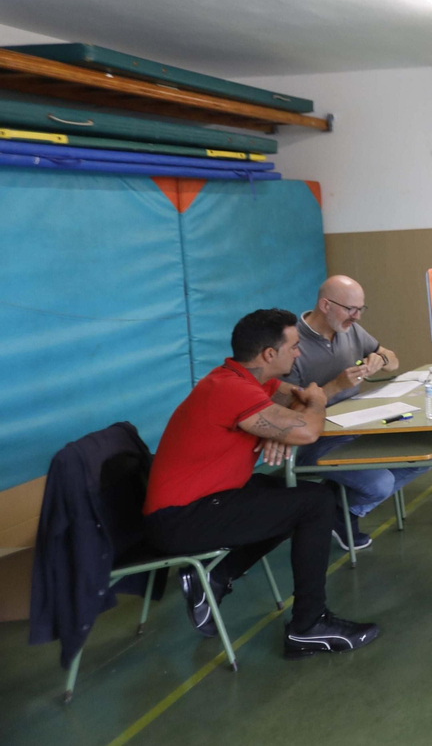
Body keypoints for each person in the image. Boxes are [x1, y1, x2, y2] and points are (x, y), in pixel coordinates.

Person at [143, 309, 379, 656]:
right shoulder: (230, 390)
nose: (298, 354)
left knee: (292, 496)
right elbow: (309, 427)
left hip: (207, 501)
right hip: (181, 518)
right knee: (314, 504)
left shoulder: (249, 382)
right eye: (294, 347)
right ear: (269, 354)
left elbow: (294, 402)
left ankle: (216, 575)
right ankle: (308, 626)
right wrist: (313, 406)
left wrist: (281, 427)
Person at [283, 275, 414, 552]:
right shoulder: (292, 343)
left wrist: (382, 359)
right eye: (350, 309)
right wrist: (336, 386)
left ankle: (339, 510)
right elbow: (289, 413)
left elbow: (392, 358)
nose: (356, 317)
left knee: (423, 454)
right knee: (381, 483)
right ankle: (340, 510)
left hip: (357, 426)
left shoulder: (349, 329)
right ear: (325, 305)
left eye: (360, 310)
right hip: (317, 437)